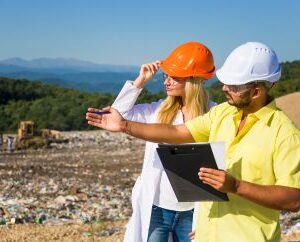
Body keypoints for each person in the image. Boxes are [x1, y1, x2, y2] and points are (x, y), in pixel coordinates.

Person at [86, 42, 300, 242]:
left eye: (233, 85)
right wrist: (125, 125)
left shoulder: (284, 134)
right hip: (200, 228)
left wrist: (235, 186)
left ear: (256, 91)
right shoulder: (222, 114)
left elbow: (294, 199)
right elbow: (177, 131)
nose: (224, 88)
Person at [89, 41, 216, 242]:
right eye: (166, 75)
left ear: (194, 79)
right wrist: (140, 81)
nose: (166, 81)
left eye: (174, 76)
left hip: (194, 212)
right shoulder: (158, 111)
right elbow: (119, 115)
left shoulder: (215, 115)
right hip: (157, 206)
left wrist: (210, 221)